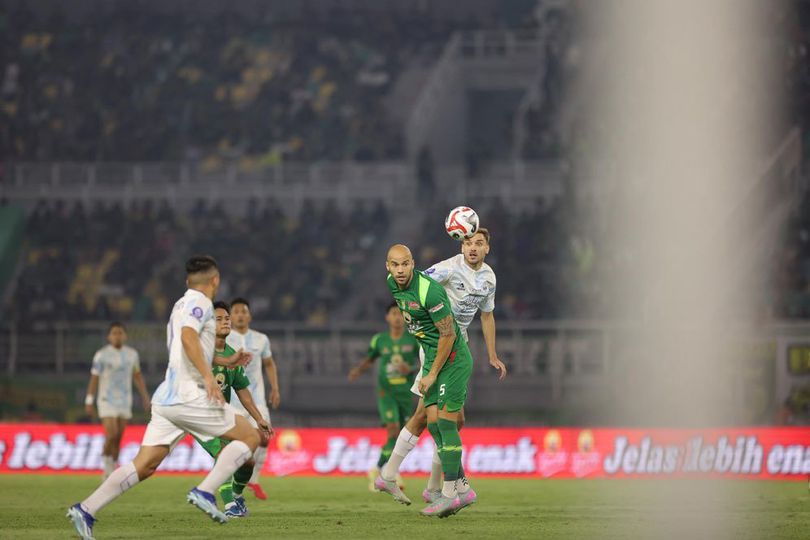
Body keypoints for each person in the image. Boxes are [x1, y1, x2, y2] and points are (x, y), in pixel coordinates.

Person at [67, 256, 261, 539]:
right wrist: (209, 378)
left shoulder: (180, 304)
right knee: (250, 437)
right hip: (189, 393)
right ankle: (205, 492)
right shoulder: (202, 303)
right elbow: (187, 339)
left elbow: (189, 346)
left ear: (187, 281)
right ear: (215, 280)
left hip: (167, 397)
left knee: (144, 465)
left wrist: (226, 362)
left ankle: (86, 509)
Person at [378, 229, 507, 507]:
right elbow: (419, 284)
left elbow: (487, 315)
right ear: (461, 245)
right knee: (441, 419)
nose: (473, 248)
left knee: (437, 418)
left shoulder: (489, 277)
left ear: (487, 248)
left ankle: (398, 477)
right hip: (441, 344)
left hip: (456, 343)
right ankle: (444, 487)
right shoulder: (447, 269)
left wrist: (492, 354)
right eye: (468, 243)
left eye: (479, 243)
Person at [376, 244, 473, 518]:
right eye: (395, 265)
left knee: (446, 422)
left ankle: (451, 494)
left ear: (413, 263)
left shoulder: (429, 291)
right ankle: (458, 489)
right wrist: (428, 366)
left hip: (452, 358)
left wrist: (431, 374)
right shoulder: (392, 284)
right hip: (431, 357)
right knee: (432, 423)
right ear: (387, 267)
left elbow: (449, 335)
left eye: (405, 264)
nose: (400, 270)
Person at [194, 301, 273, 518]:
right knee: (224, 456)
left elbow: (243, 391)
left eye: (226, 318)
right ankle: (229, 506)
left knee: (248, 458)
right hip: (197, 414)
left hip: (222, 415)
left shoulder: (232, 353)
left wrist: (259, 419)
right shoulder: (199, 347)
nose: (225, 322)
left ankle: (237, 495)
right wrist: (228, 361)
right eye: (218, 319)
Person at [348, 301, 419, 491]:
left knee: (400, 436)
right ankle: (387, 473)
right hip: (386, 392)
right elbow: (370, 358)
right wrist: (357, 371)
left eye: (399, 314)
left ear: (405, 317)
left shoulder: (413, 340)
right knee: (393, 430)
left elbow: (423, 364)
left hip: (405, 393)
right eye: (393, 314)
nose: (396, 317)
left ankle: (380, 470)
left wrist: (410, 369)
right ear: (387, 317)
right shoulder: (380, 340)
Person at [226, 297, 281, 500]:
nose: (240, 314)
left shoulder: (261, 339)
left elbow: (268, 363)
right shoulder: (224, 339)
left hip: (256, 399)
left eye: (243, 311)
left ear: (249, 316)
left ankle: (254, 480)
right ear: (230, 317)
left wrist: (275, 387)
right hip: (231, 401)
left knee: (265, 437)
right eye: (236, 311)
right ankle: (233, 480)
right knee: (236, 444)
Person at [84, 322, 151, 479]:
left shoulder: (132, 355)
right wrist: (89, 400)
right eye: (114, 333)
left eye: (120, 333)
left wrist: (145, 397)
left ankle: (113, 467)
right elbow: (94, 378)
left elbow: (137, 376)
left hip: (124, 400)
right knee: (111, 432)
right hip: (106, 400)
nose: (117, 336)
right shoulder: (101, 355)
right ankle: (106, 464)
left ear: (125, 336)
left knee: (119, 436)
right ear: (108, 336)